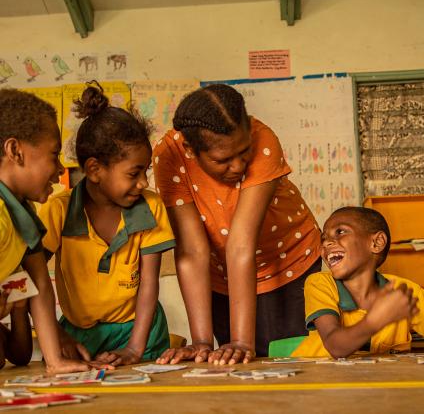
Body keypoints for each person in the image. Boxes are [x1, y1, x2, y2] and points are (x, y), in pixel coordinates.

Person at [153, 84, 322, 365]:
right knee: (229, 364)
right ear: (190, 150)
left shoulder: (264, 140)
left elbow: (241, 244)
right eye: (223, 160)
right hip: (222, 276)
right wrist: (202, 342)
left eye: (243, 152)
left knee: (290, 365)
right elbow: (193, 251)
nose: (238, 166)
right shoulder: (170, 155)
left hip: (289, 265)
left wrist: (243, 341)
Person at [39, 83, 175, 366]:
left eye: (145, 171)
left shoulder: (150, 207)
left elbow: (149, 284)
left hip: (141, 333)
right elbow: (34, 279)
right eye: (134, 173)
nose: (144, 183)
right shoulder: (59, 211)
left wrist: (135, 349)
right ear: (94, 170)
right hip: (78, 335)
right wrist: (56, 334)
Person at [0, 88, 91, 373]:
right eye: (54, 154)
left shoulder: (23, 212)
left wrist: (55, 361)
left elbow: (39, 282)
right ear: (15, 151)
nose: (59, 170)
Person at [291, 206, 424, 359]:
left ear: (377, 242)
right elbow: (335, 346)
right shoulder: (319, 283)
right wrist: (376, 320)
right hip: (320, 382)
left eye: (340, 232)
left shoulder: (403, 292)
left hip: (381, 383)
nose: (326, 243)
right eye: (323, 238)